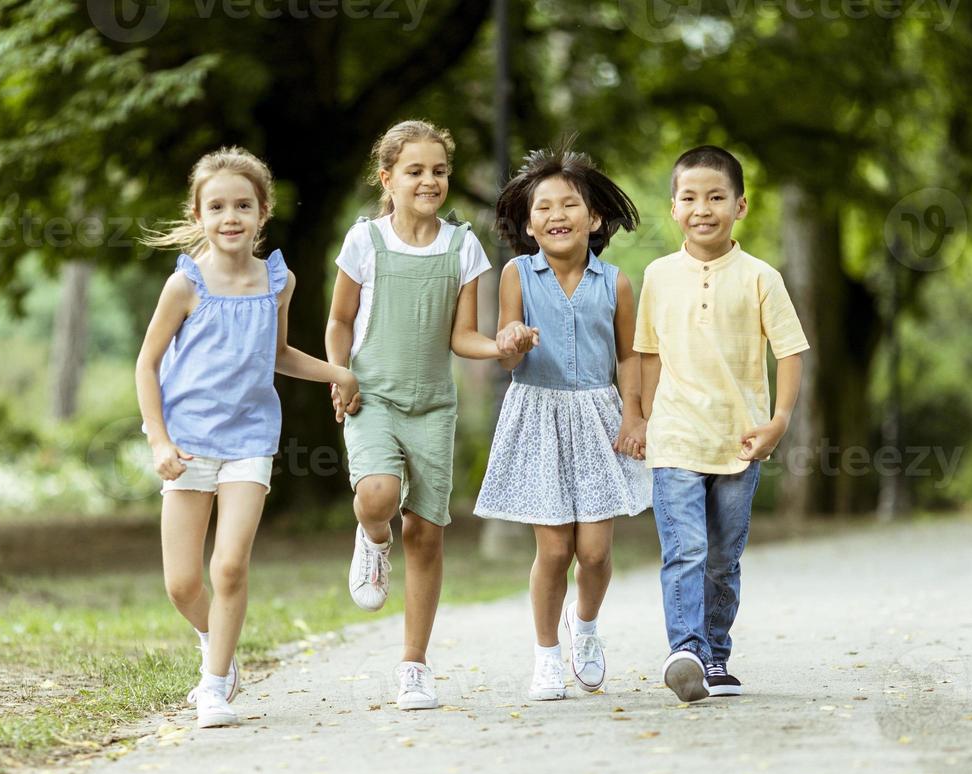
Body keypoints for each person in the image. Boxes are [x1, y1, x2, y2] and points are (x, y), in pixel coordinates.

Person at [136, 147, 358, 728]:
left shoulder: (277, 281)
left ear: (263, 212)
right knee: (183, 584)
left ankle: (214, 684)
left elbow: (278, 353)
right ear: (199, 214)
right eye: (217, 206)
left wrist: (338, 371)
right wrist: (158, 440)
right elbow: (146, 365)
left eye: (242, 205)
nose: (230, 216)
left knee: (228, 567)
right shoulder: (184, 285)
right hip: (187, 443)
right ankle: (219, 647)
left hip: (251, 439)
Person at [324, 119, 530, 710]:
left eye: (439, 170)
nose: (429, 180)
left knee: (428, 534)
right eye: (414, 171)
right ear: (388, 179)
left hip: (433, 405)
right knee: (379, 496)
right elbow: (340, 320)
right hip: (372, 396)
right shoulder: (365, 241)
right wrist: (340, 371)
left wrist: (501, 347)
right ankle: (370, 539)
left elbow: (463, 336)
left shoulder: (462, 246)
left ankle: (413, 665)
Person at [474, 145, 651, 702]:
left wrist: (634, 414)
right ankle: (546, 654)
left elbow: (629, 356)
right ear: (529, 223)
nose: (557, 215)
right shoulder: (516, 275)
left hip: (600, 419)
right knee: (553, 552)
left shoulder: (616, 283)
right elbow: (506, 346)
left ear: (593, 218)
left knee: (595, 553)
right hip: (539, 416)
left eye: (569, 204)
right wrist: (512, 341)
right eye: (543, 207)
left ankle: (587, 626)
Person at [634, 145, 809, 702]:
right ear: (673, 207)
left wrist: (779, 421)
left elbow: (790, 352)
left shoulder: (761, 277)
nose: (702, 208)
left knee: (720, 557)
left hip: (741, 441)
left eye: (716, 197)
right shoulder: (659, 275)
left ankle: (715, 657)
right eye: (689, 198)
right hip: (675, 435)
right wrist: (638, 417)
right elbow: (648, 354)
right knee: (683, 549)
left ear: (741, 206)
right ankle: (685, 649)